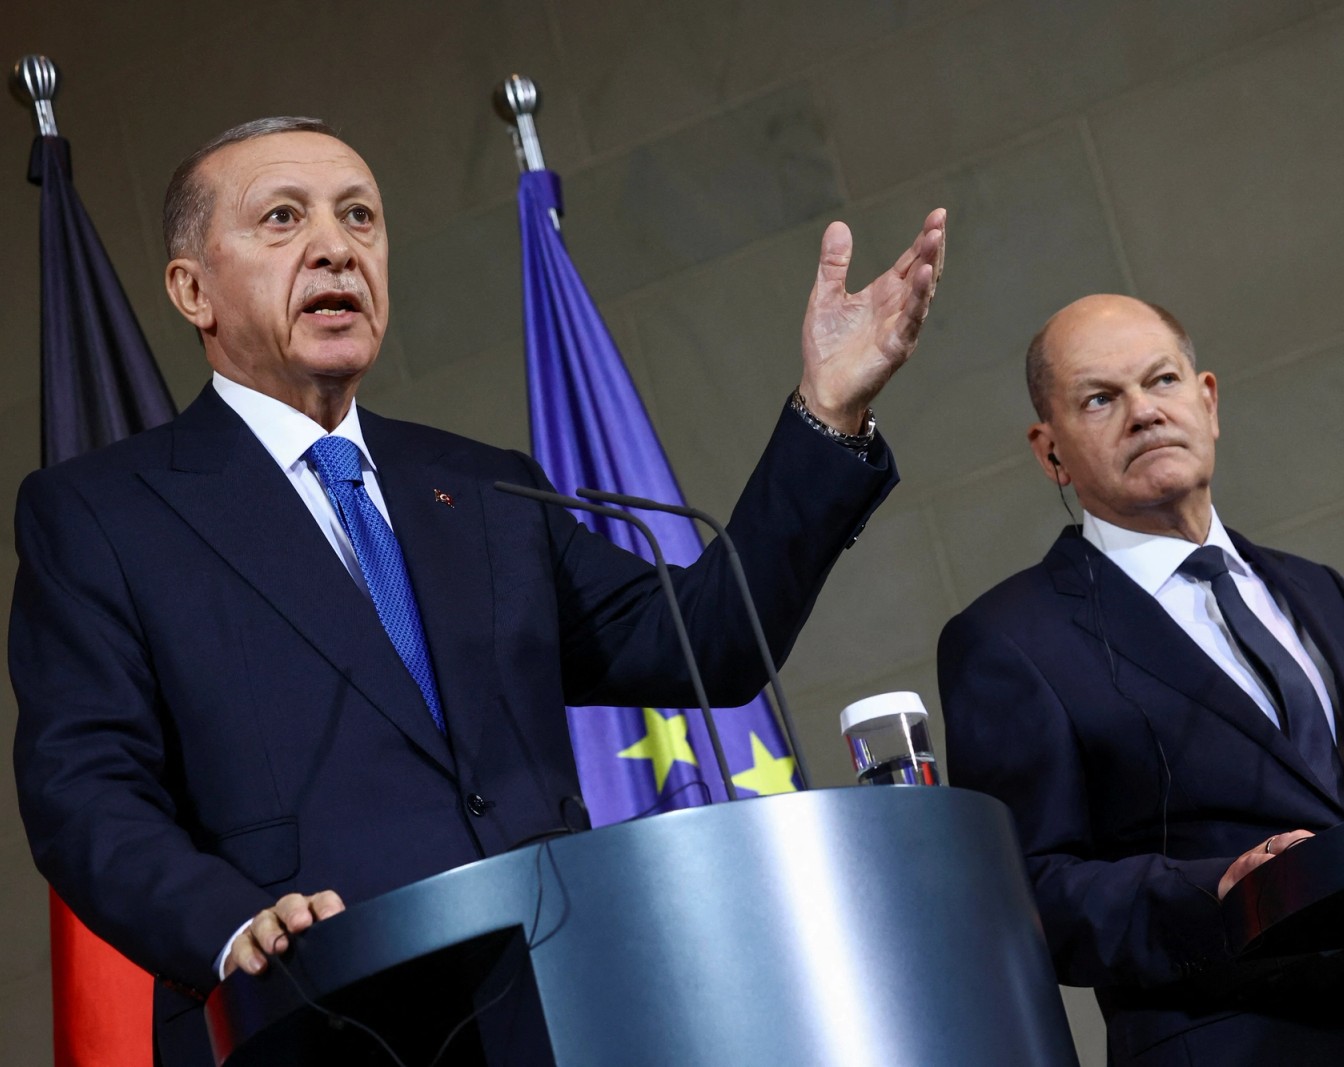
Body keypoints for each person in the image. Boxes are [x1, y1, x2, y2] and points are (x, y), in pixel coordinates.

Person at [9, 116, 945, 1065]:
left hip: (560, 1006)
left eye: (360, 217)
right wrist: (228, 924)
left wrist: (828, 412)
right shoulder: (103, 515)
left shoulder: (483, 486)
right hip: (315, 1019)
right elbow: (82, 789)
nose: (336, 247)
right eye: (283, 218)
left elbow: (708, 641)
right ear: (192, 290)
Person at [938, 294, 1344, 1066]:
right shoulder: (1009, 638)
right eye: (1100, 398)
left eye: (1161, 380)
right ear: (1051, 451)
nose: (1144, 412)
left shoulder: (1318, 588)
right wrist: (1217, 892)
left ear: (1207, 401)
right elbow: (1028, 888)